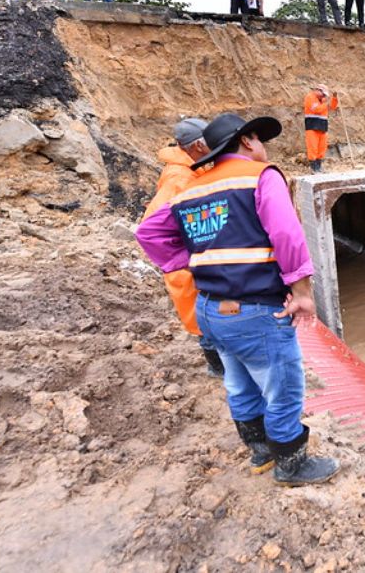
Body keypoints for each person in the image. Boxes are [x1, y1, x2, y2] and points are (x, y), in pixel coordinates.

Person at [135, 112, 341, 487]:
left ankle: (260, 452)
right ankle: (291, 465)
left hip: (211, 310)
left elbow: (148, 232)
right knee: (283, 388)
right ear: (247, 141)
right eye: (261, 139)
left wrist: (194, 261)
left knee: (240, 383)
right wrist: (303, 293)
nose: (263, 147)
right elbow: (287, 233)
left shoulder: (192, 189)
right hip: (256, 310)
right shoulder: (260, 177)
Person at [140, 119, 225, 379]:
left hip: (193, 261)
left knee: (207, 319)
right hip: (188, 267)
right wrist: (184, 259)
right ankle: (218, 369)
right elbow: (148, 231)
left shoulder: (189, 169)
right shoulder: (179, 178)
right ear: (199, 145)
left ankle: (219, 366)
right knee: (206, 324)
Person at [303, 84, 339, 173]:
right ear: (317, 90)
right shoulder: (310, 97)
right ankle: (313, 168)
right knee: (313, 148)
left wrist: (334, 98)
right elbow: (317, 109)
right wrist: (325, 103)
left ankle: (319, 167)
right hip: (312, 126)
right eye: (323, 94)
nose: (324, 96)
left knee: (321, 148)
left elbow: (333, 107)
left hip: (322, 126)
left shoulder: (322, 100)